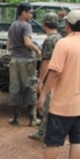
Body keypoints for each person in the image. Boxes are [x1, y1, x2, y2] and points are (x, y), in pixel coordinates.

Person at [21, 9, 80, 159]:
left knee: (54, 140)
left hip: (63, 102)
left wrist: (44, 93)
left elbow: (55, 72)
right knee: (77, 139)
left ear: (68, 25)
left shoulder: (64, 44)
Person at [28, 12, 62, 141]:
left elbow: (47, 62)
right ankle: (43, 130)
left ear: (44, 24)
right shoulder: (60, 38)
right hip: (59, 76)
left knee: (47, 105)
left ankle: (45, 133)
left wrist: (41, 81)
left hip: (50, 77)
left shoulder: (49, 40)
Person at [7, 2, 41, 126]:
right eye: (30, 12)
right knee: (30, 86)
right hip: (26, 59)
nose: (32, 15)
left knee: (15, 87)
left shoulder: (12, 26)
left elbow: (9, 46)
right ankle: (32, 118)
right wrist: (36, 49)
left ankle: (16, 118)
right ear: (23, 13)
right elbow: (27, 43)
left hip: (14, 59)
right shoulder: (26, 26)